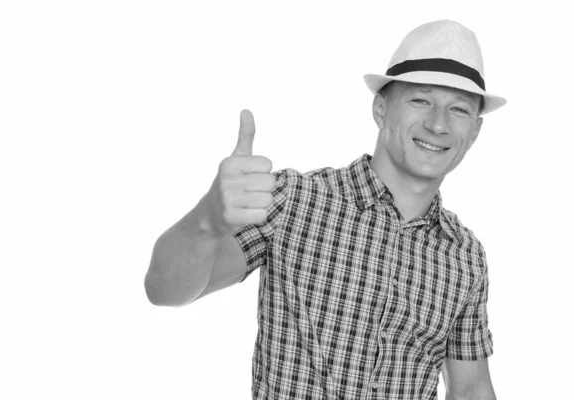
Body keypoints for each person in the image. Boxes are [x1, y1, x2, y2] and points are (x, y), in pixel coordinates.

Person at [144, 19, 505, 400]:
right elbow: (165, 290)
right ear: (380, 109)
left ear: (475, 132)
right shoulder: (293, 201)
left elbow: (470, 388)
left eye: (459, 110)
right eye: (421, 99)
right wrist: (207, 221)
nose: (437, 124)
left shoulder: (465, 254)